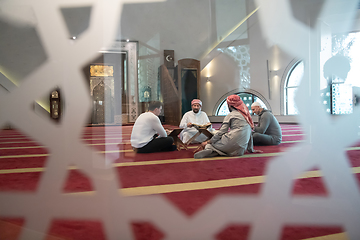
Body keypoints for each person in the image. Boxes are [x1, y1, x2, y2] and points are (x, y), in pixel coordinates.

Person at [194, 95, 261, 159]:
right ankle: (218, 152)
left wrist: (208, 142)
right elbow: (249, 133)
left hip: (230, 143)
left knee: (210, 144)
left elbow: (222, 132)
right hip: (241, 150)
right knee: (223, 143)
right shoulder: (247, 116)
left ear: (229, 105)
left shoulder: (230, 115)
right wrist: (251, 149)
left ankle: (211, 149)